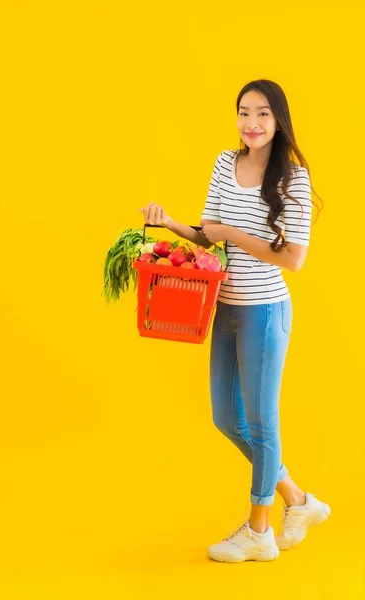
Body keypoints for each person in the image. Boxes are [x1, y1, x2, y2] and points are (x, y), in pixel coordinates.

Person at [140, 79, 330, 563]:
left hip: (265, 311)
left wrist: (234, 234)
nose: (251, 123)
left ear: (279, 119)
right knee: (226, 417)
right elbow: (207, 236)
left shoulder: (294, 178)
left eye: (262, 113)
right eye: (244, 112)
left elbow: (294, 259)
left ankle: (259, 531)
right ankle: (298, 502)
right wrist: (170, 224)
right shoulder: (226, 163)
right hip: (221, 306)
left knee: (264, 424)